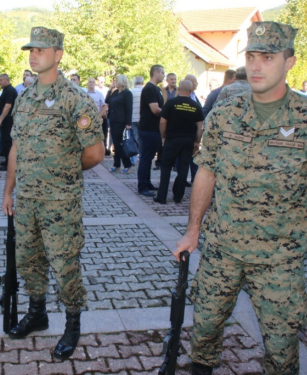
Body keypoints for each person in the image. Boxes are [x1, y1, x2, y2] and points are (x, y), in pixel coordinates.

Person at [174, 21, 307, 375]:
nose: (257, 65)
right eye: (251, 56)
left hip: (280, 259)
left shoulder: (305, 118)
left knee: (282, 351)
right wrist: (192, 231)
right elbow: (206, 172)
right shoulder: (226, 113)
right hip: (222, 250)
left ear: (289, 62)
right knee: (203, 333)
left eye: (268, 56)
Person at [1, 26, 104, 361]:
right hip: (27, 199)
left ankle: (72, 324)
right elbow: (16, 147)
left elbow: (94, 154)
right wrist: (9, 191)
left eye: (41, 50)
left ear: (58, 55)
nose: (34, 55)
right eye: (31, 50)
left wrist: (62, 174)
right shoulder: (25, 98)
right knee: (28, 260)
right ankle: (37, 312)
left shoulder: (75, 99)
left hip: (60, 203)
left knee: (64, 265)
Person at [153, 80, 203, 204]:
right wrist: (197, 141)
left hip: (172, 139)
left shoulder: (171, 103)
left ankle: (162, 196)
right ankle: (178, 196)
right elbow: (200, 126)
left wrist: (163, 137)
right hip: (188, 140)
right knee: (183, 168)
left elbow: (163, 122)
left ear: (179, 89)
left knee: (166, 167)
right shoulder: (196, 105)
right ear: (191, 91)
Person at [137, 65, 165, 196]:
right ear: (156, 73)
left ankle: (147, 182)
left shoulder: (156, 89)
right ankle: (142, 186)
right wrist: (168, 114)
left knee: (148, 158)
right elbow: (155, 109)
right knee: (146, 158)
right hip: (148, 129)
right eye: (162, 73)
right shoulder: (149, 89)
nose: (164, 75)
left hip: (154, 129)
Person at [107, 74, 134, 174]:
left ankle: (128, 165)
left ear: (122, 81)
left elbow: (129, 108)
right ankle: (116, 164)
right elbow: (107, 101)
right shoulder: (116, 93)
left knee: (120, 144)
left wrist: (128, 123)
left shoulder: (127, 93)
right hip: (113, 120)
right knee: (116, 144)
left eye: (117, 81)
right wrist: (110, 90)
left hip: (121, 122)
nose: (115, 82)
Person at [0, 74, 18, 171]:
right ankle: (6, 161)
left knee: (7, 141)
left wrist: (0, 119)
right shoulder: (6, 90)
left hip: (9, 119)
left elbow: (8, 106)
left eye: (1, 80)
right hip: (6, 119)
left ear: (6, 80)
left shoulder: (10, 90)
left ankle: (10, 164)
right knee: (5, 141)